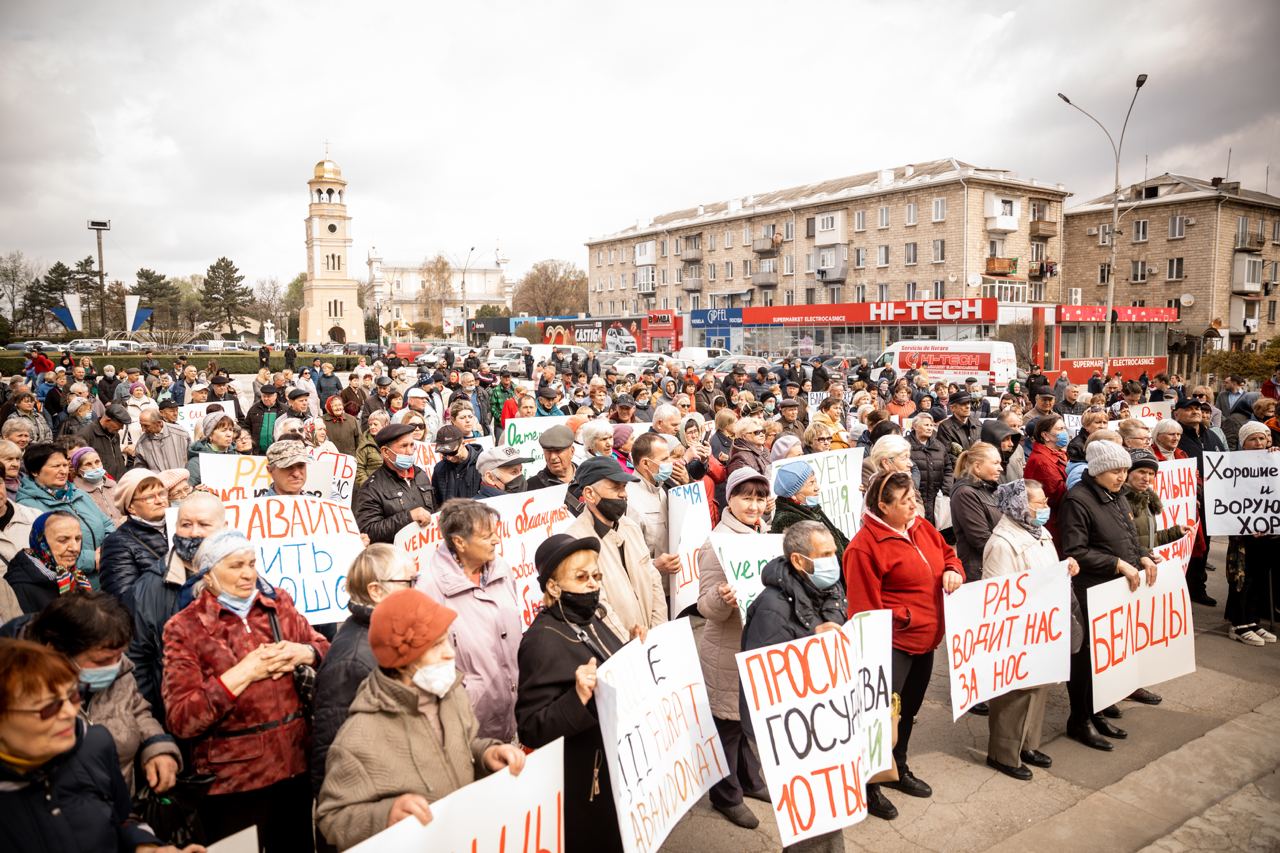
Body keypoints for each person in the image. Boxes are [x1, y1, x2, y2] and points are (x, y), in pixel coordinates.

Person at [316, 587, 524, 849]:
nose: (450, 653)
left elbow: (462, 747)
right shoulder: (358, 738)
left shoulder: (450, 694)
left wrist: (486, 755)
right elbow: (332, 818)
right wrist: (385, 816)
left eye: (447, 641)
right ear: (403, 660)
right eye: (436, 646)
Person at [162, 529, 329, 852]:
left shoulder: (277, 603)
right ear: (208, 576)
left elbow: (323, 647)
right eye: (236, 565)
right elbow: (182, 718)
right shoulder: (184, 628)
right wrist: (241, 675)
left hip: (294, 769)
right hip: (234, 784)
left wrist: (304, 653)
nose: (248, 574)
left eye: (252, 563)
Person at [844, 470, 964, 819]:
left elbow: (947, 555)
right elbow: (863, 610)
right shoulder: (864, 547)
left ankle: (898, 767)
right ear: (882, 506)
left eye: (913, 495)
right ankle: (869, 786)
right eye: (904, 500)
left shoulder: (920, 527)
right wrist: (903, 621)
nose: (914, 503)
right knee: (880, 719)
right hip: (892, 646)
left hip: (925, 640)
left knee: (908, 712)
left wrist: (952, 570)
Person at [0, 639, 192, 852]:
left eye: (73, 696)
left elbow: (122, 818)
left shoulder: (93, 745)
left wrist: (146, 846)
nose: (69, 713)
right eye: (49, 708)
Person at [739, 519, 849, 844]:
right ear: (800, 561)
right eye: (826, 554)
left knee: (831, 815)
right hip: (797, 737)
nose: (834, 560)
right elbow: (765, 688)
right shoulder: (773, 610)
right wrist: (811, 644)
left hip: (826, 724)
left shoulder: (828, 589)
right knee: (811, 824)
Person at [516, 534, 626, 853]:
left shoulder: (590, 618)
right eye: (580, 577)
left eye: (596, 576)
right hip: (584, 780)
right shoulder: (541, 640)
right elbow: (531, 728)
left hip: (613, 767)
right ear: (553, 587)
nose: (592, 584)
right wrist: (577, 697)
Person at [22, 591, 182, 794]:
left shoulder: (120, 671)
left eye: (119, 656)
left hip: (121, 804)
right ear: (55, 651)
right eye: (101, 661)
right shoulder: (23, 697)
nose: (114, 666)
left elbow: (137, 711)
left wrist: (156, 748)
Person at [1058, 441, 1159, 751]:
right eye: (1116, 471)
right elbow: (1075, 551)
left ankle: (1097, 711)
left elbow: (1127, 537)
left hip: (1115, 590)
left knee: (1106, 656)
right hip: (1090, 590)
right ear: (1099, 470)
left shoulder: (1116, 497)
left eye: (1124, 470)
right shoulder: (1078, 500)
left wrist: (1141, 555)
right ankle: (1079, 720)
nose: (1122, 476)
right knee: (1086, 659)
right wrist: (1116, 563)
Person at [982, 480, 1079, 780]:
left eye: (1045, 501)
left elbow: (1046, 570)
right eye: (1037, 503)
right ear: (1019, 506)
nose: (1045, 508)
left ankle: (1028, 744)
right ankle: (1003, 753)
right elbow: (1000, 592)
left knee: (1040, 687)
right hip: (1021, 627)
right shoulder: (1002, 543)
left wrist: (1065, 568)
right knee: (1016, 693)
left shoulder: (1040, 532)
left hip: (1043, 623)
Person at [695, 468, 772, 828]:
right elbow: (705, 608)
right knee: (727, 728)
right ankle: (725, 795)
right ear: (730, 500)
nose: (754, 506)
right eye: (746, 497)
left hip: (755, 645)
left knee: (744, 723)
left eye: (759, 498)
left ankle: (751, 780)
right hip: (726, 651)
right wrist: (721, 597)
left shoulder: (764, 535)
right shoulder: (717, 543)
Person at [412, 499, 522, 742]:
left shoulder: (501, 570)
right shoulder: (429, 589)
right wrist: (466, 698)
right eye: (487, 536)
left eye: (496, 533)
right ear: (460, 542)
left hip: (516, 715)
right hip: (470, 727)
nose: (496, 540)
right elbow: (427, 668)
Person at [128, 491, 225, 720]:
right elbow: (137, 662)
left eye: (204, 524)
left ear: (225, 528)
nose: (194, 532)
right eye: (186, 524)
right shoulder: (147, 589)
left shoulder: (245, 579)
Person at [565, 456, 666, 640]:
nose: (624, 495)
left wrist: (657, 634)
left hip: (651, 644)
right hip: (619, 652)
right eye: (615, 487)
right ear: (589, 494)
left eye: (624, 487)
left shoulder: (631, 527)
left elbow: (653, 581)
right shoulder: (576, 542)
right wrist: (631, 646)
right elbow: (598, 607)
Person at [17, 443, 115, 581]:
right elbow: (44, 552)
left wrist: (107, 550)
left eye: (64, 465)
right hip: (70, 584)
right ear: (35, 471)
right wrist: (92, 559)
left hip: (106, 572)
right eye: (56, 466)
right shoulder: (28, 507)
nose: (63, 471)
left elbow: (107, 524)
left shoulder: (78, 494)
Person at [98, 469, 170, 613]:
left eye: (162, 493)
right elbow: (123, 600)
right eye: (149, 497)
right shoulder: (117, 543)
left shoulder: (181, 526)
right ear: (131, 507)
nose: (159, 500)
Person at [353, 422, 435, 543]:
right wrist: (408, 517)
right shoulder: (372, 488)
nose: (410, 451)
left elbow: (434, 508)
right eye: (404, 446)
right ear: (385, 452)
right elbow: (368, 530)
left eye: (412, 445)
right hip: (395, 557)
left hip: (424, 552)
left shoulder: (420, 474)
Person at [624, 432, 680, 574]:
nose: (670, 463)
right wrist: (654, 566)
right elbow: (628, 557)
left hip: (671, 585)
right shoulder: (630, 500)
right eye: (664, 459)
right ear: (646, 464)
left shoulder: (659, 487)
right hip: (650, 586)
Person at [949, 442, 1003, 583]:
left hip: (993, 565)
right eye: (995, 463)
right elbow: (980, 539)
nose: (1000, 468)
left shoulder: (989, 488)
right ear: (977, 466)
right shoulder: (965, 493)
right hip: (980, 571)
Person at [770, 459, 849, 554]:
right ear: (793, 494)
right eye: (811, 483)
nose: (817, 488)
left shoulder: (811, 508)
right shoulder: (787, 520)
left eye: (815, 481)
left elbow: (837, 535)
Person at [1022, 415, 1069, 540]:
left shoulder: (1060, 454)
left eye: (1064, 428)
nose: (1064, 432)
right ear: (1046, 435)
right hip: (1053, 522)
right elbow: (1058, 494)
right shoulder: (1041, 461)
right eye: (1059, 429)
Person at [69, 445, 124, 526]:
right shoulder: (77, 494)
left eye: (97, 462)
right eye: (88, 464)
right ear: (78, 470)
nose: (95, 467)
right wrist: (119, 523)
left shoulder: (113, 485)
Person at [184, 412, 237, 488]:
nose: (229, 434)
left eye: (231, 430)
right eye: (224, 430)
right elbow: (186, 492)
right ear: (210, 435)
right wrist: (195, 490)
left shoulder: (238, 457)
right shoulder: (196, 463)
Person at [135, 408, 190, 473]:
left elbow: (191, 459)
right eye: (141, 425)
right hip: (158, 482)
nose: (143, 429)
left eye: (146, 426)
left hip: (181, 480)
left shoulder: (181, 434)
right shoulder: (142, 443)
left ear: (159, 423)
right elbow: (140, 469)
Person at [246, 384, 286, 454]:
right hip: (258, 451)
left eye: (269, 396)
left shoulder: (284, 409)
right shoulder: (254, 409)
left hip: (278, 451)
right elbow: (246, 426)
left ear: (275, 396)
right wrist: (250, 440)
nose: (266, 398)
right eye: (264, 396)